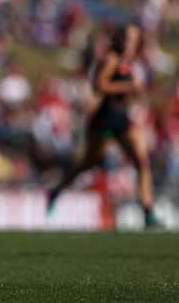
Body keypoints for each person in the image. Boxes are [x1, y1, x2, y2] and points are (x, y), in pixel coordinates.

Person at [47, 22, 162, 228]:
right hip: (105, 119)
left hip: (124, 119)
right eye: (126, 36)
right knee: (88, 163)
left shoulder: (134, 62)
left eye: (133, 38)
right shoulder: (112, 59)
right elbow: (98, 86)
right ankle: (56, 191)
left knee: (142, 161)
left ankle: (148, 211)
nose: (128, 41)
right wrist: (128, 85)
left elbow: (134, 92)